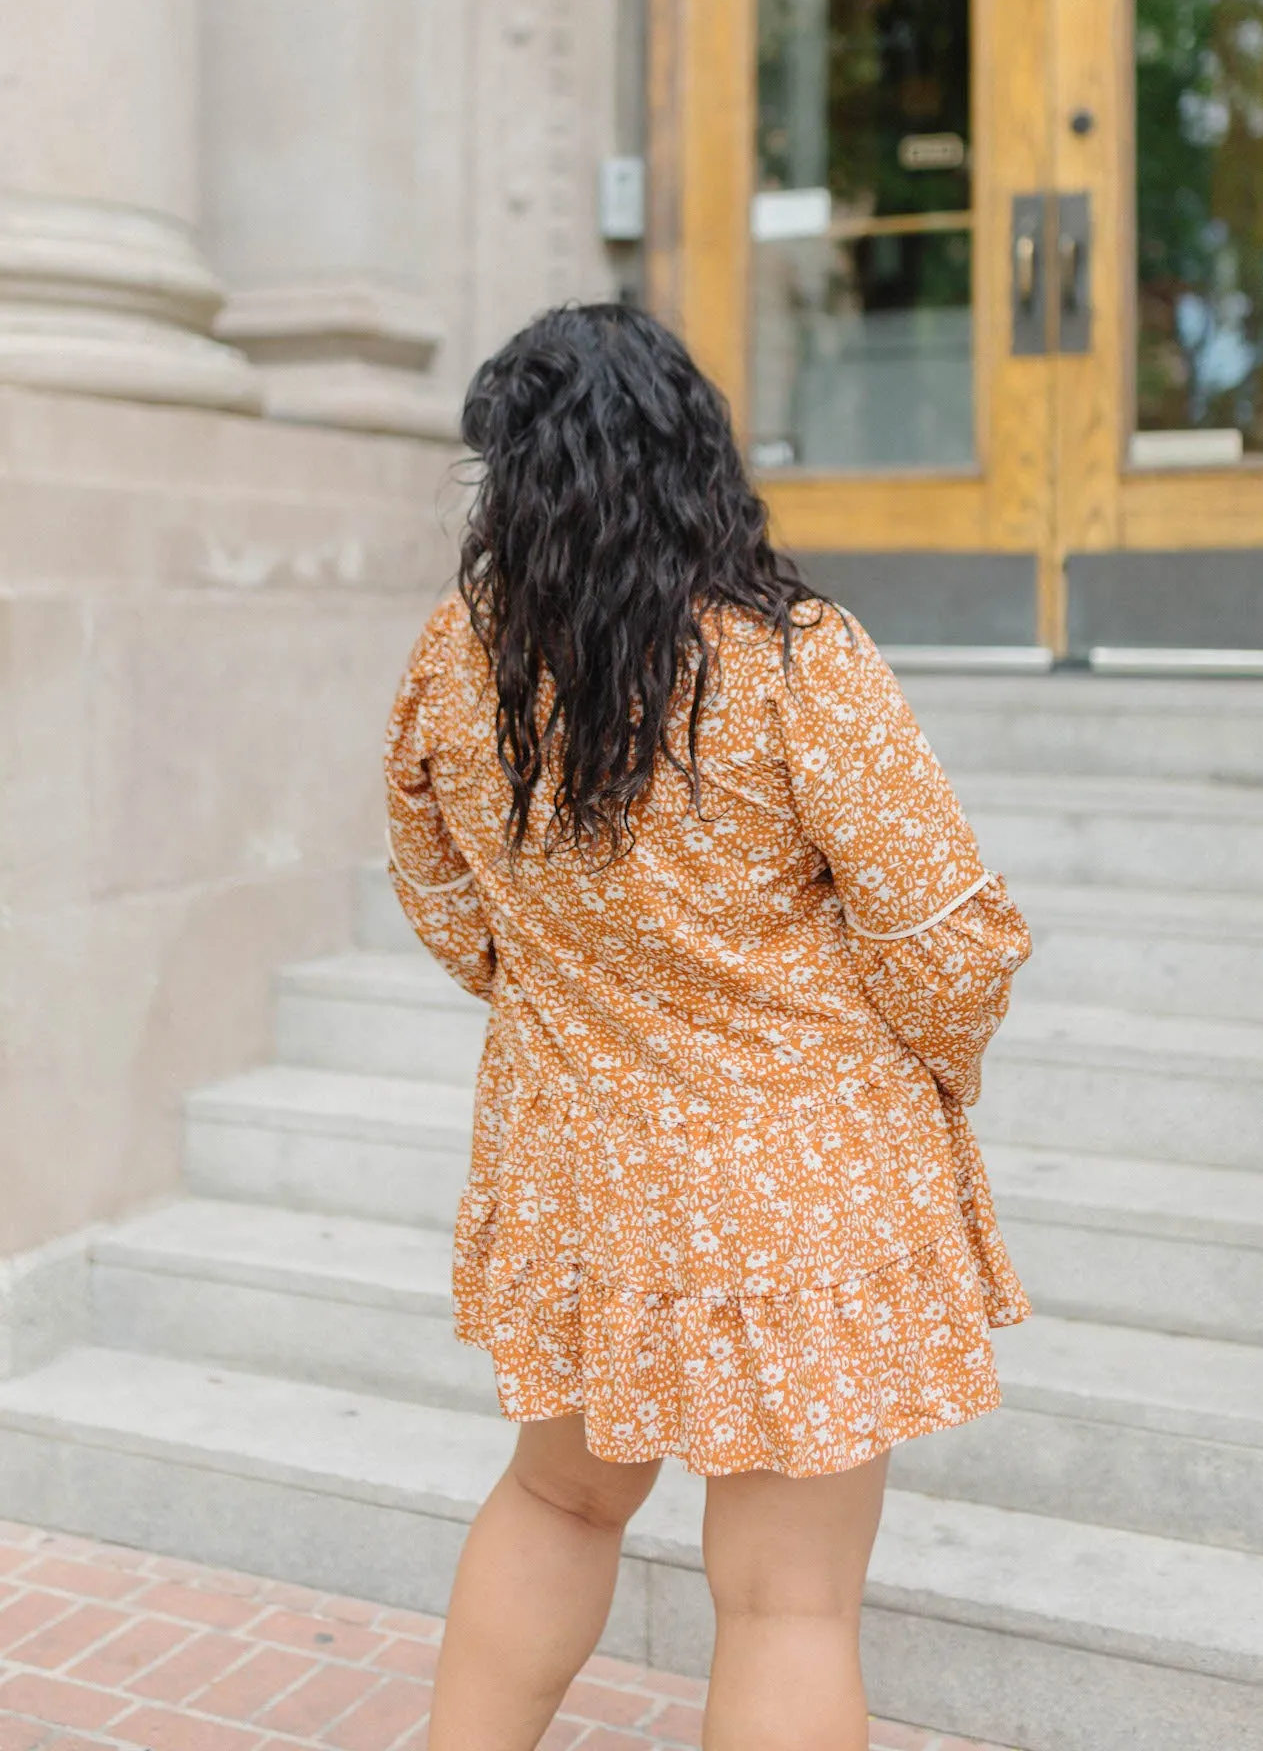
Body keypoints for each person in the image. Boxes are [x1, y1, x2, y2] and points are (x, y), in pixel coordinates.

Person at [384, 303, 1032, 1751]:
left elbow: (437, 890)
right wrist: (933, 1068)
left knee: (557, 1496)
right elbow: (946, 939)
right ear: (697, 455)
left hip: (582, 1163)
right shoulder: (792, 661)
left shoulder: (457, 658)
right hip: (796, 1176)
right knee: (788, 1606)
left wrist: (571, 999)